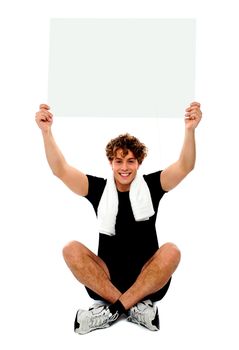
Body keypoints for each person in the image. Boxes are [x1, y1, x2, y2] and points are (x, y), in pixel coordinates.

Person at [35, 102, 202, 334]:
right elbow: (60, 169)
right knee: (70, 249)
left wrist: (190, 130)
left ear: (139, 163)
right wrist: (46, 132)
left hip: (149, 280)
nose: (124, 167)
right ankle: (135, 309)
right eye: (119, 161)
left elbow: (185, 166)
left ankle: (112, 310)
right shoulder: (98, 189)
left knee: (171, 251)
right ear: (111, 163)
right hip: (105, 281)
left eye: (130, 161)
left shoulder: (153, 186)